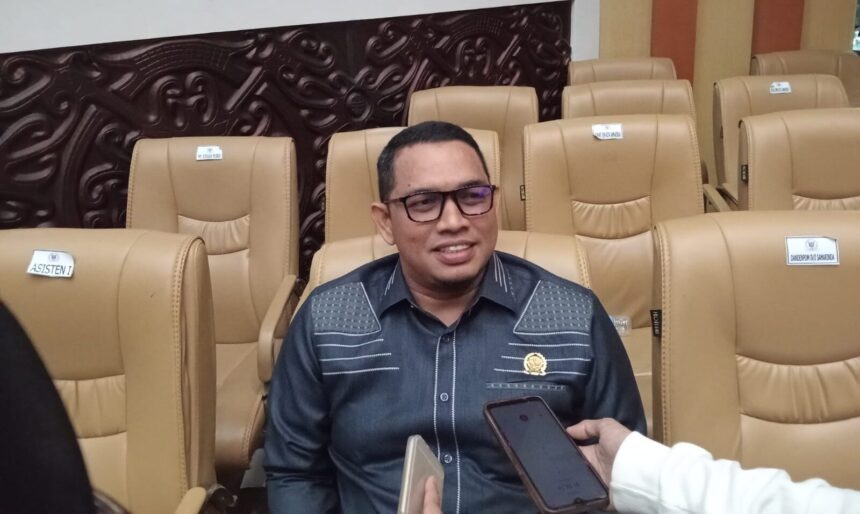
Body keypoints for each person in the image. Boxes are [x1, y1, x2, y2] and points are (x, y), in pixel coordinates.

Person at [264, 121, 645, 513]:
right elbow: (295, 473)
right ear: (385, 221)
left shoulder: (572, 315)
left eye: (472, 195)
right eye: (423, 203)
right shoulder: (328, 318)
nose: (453, 221)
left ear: (493, 202)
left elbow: (622, 467)